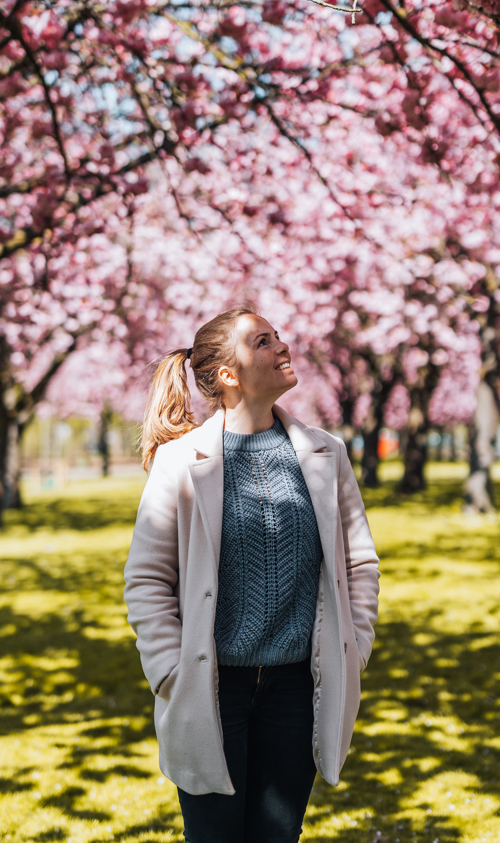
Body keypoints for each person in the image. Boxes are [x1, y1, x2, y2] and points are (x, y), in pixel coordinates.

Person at [123, 304, 380, 843]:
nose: (283, 347)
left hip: (297, 685)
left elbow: (359, 561)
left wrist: (355, 643)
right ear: (228, 376)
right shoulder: (179, 463)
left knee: (278, 834)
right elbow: (147, 581)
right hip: (212, 685)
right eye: (263, 341)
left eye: (278, 336)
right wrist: (171, 670)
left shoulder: (325, 453)